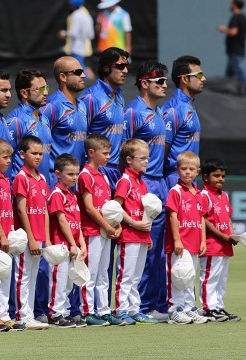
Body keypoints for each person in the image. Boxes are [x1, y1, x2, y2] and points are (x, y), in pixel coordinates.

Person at [123, 60, 170, 322]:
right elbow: (125, 151)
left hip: (159, 182)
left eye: (164, 81)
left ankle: (157, 304)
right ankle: (137, 306)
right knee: (143, 246)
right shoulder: (133, 112)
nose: (165, 85)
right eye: (159, 81)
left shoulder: (160, 112)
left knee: (159, 248)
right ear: (144, 83)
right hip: (141, 184)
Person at [77, 134, 121, 326]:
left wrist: (116, 224)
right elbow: (89, 207)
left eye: (109, 152)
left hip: (105, 231)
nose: (108, 156)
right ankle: (86, 312)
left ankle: (103, 310)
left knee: (104, 273)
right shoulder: (85, 175)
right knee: (90, 273)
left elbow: (108, 205)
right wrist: (107, 226)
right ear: (91, 152)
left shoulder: (102, 174)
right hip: (91, 231)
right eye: (105, 153)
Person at [11, 135, 51, 330]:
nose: (38, 157)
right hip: (26, 238)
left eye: (40, 154)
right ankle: (22, 315)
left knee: (33, 276)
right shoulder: (21, 178)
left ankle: (30, 313)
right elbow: (21, 209)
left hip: (39, 238)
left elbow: (43, 210)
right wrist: (31, 239)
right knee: (23, 276)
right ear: (22, 154)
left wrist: (47, 239)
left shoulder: (42, 178)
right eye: (33, 153)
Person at [0, 138, 25, 331]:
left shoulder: (3, 177)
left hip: (7, 233)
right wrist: (0, 234)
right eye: (5, 157)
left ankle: (5, 315)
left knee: (5, 275)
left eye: (10, 157)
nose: (9, 161)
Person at [164, 151, 208, 325]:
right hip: (180, 243)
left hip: (195, 242)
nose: (187, 172)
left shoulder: (199, 194)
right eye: (184, 169)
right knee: (177, 275)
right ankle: (175, 309)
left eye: (191, 169)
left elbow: (202, 218)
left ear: (198, 171)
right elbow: (172, 216)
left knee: (189, 276)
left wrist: (203, 240)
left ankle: (189, 307)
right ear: (177, 170)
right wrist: (176, 239)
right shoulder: (175, 192)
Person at [113, 139, 152, 325]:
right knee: (126, 275)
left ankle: (134, 309)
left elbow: (145, 211)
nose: (146, 161)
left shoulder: (141, 182)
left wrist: (147, 234)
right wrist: (133, 223)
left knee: (136, 276)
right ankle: (120, 309)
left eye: (147, 158)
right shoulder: (125, 180)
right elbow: (116, 208)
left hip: (142, 236)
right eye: (142, 158)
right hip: (129, 235)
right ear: (129, 159)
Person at [79, 47, 129, 189]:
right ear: (106, 69)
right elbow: (82, 136)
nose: (125, 71)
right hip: (97, 170)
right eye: (120, 66)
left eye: (126, 66)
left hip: (115, 170)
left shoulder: (119, 98)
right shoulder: (91, 98)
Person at [46, 153, 86, 328]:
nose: (74, 177)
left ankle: (65, 311)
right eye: (70, 174)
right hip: (60, 245)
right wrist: (72, 243)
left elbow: (76, 222)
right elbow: (62, 220)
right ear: (57, 173)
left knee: (69, 281)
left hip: (72, 245)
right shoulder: (56, 194)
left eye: (76, 174)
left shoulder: (71, 194)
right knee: (59, 280)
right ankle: (55, 313)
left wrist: (81, 243)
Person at [199, 159, 241, 322]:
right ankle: (208, 308)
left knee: (221, 278)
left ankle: (218, 306)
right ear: (205, 177)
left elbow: (228, 217)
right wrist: (222, 236)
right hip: (212, 244)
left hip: (224, 244)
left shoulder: (223, 195)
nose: (220, 179)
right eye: (216, 175)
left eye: (222, 176)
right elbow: (203, 219)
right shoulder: (204, 195)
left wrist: (231, 234)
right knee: (210, 276)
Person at [40, 56, 88, 187]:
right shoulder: (51, 107)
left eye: (82, 71)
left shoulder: (83, 106)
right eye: (78, 72)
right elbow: (40, 145)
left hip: (77, 181)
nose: (83, 75)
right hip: (56, 182)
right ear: (63, 77)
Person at [162, 56, 204, 189]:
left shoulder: (189, 106)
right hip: (174, 180)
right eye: (199, 75)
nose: (203, 78)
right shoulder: (174, 109)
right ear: (185, 79)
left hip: (188, 178)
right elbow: (162, 149)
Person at [7, 69, 51, 179]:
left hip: (44, 189)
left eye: (46, 88)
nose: (45, 92)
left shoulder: (45, 119)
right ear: (24, 93)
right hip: (24, 192)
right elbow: (5, 158)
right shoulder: (16, 120)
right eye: (40, 89)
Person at [59, 0, 95, 78]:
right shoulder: (87, 15)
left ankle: (88, 83)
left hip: (76, 48)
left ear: (73, 5)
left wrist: (63, 33)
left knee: (79, 69)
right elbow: (91, 34)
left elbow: (73, 33)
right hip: (84, 47)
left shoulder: (76, 15)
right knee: (83, 67)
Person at [218, 0, 246, 84]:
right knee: (229, 75)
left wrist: (223, 29)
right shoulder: (243, 17)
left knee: (239, 71)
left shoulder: (236, 17)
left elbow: (234, 31)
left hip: (235, 50)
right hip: (239, 49)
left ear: (234, 5)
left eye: (231, 4)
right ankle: (226, 92)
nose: (230, 6)